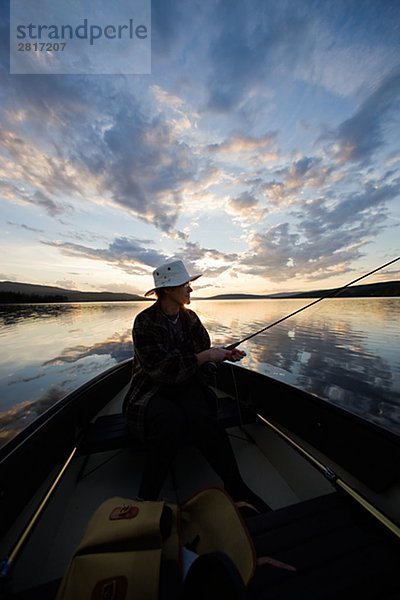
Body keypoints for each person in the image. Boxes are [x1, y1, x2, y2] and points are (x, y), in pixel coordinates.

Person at [123, 260, 270, 512]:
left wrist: (222, 354)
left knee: (203, 416)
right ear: (168, 289)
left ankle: (236, 487)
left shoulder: (190, 318)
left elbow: (203, 354)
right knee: (169, 421)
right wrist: (205, 357)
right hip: (151, 390)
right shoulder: (144, 322)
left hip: (186, 385)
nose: (190, 290)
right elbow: (162, 371)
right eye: (186, 285)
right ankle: (146, 499)